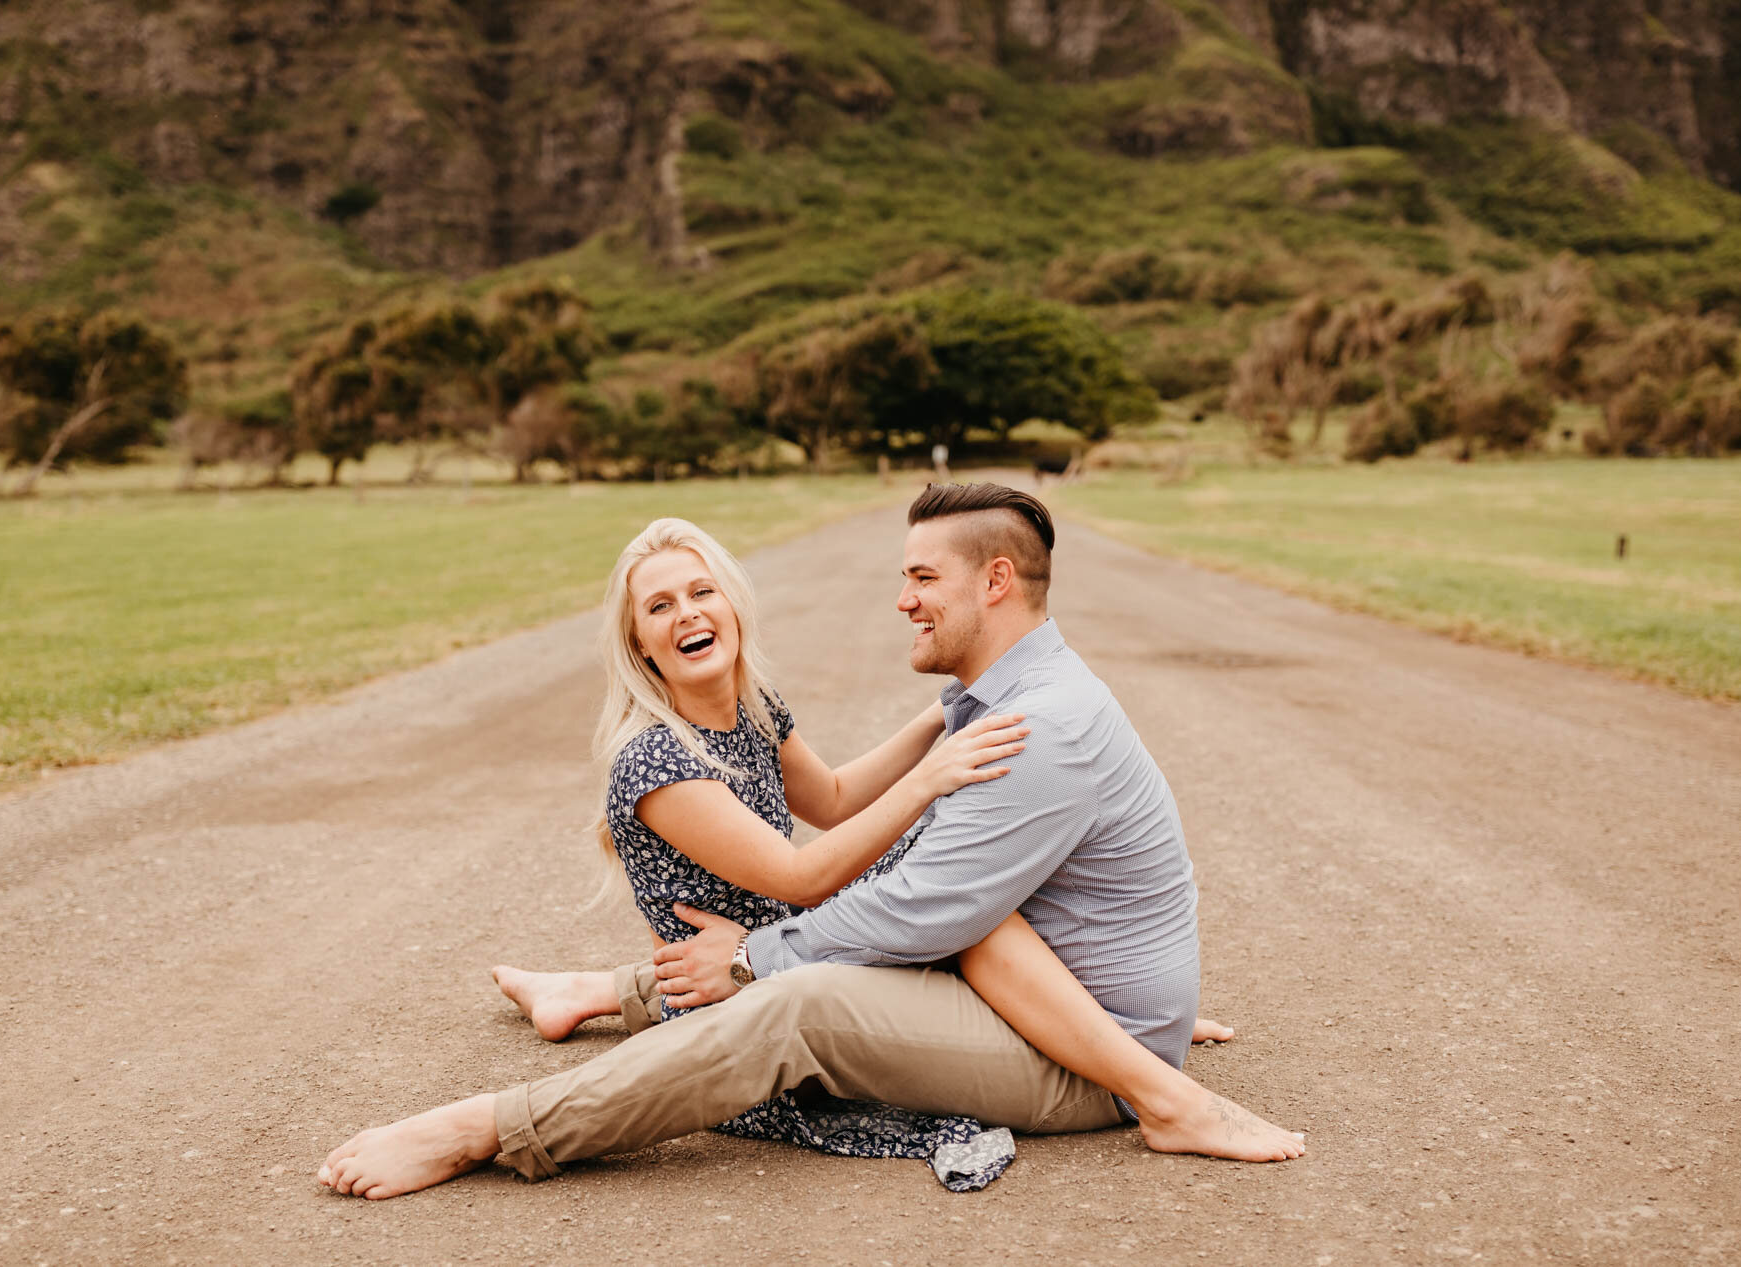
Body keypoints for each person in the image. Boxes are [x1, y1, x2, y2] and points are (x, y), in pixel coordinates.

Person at [319, 484, 1304, 1200]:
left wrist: (751, 956)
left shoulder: (1035, 725)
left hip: (1086, 1061)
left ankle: (494, 1128)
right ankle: (597, 995)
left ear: (994, 581)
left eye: (921, 577)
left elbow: (916, 901)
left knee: (800, 1000)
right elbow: (882, 877)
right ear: (640, 642)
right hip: (1060, 1003)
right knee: (855, 908)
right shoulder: (1011, 702)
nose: (904, 598)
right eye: (658, 607)